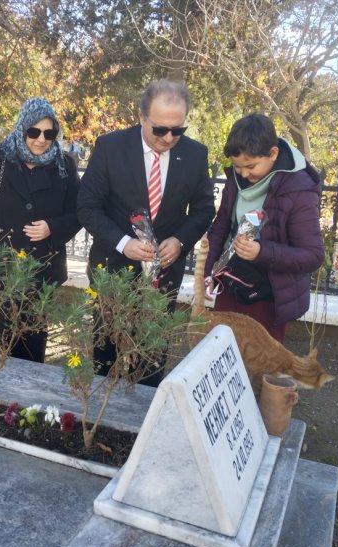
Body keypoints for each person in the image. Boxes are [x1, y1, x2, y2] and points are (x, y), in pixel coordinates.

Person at [77, 79, 215, 386]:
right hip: (112, 270)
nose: (169, 138)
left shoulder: (194, 155)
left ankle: (143, 423)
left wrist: (180, 240)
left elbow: (205, 210)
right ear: (142, 118)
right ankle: (103, 417)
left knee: (152, 357)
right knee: (105, 353)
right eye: (160, 129)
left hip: (163, 274)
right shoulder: (110, 147)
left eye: (178, 130)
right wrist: (123, 243)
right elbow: (87, 207)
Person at [0, 98, 81, 363]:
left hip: (43, 266)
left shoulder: (65, 165)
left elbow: (80, 212)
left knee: (34, 338)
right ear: (22, 128)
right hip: (4, 265)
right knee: (6, 338)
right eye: (34, 132)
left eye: (49, 133)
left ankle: (28, 400)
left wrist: (52, 227)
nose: (41, 139)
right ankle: (5, 395)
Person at [204, 113, 324, 342]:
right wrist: (209, 270)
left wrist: (262, 252)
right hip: (230, 285)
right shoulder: (236, 179)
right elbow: (221, 227)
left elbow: (313, 255)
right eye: (237, 167)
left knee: (259, 367)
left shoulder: (299, 189)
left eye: (250, 166)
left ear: (273, 153)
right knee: (221, 355)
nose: (244, 175)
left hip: (268, 296)